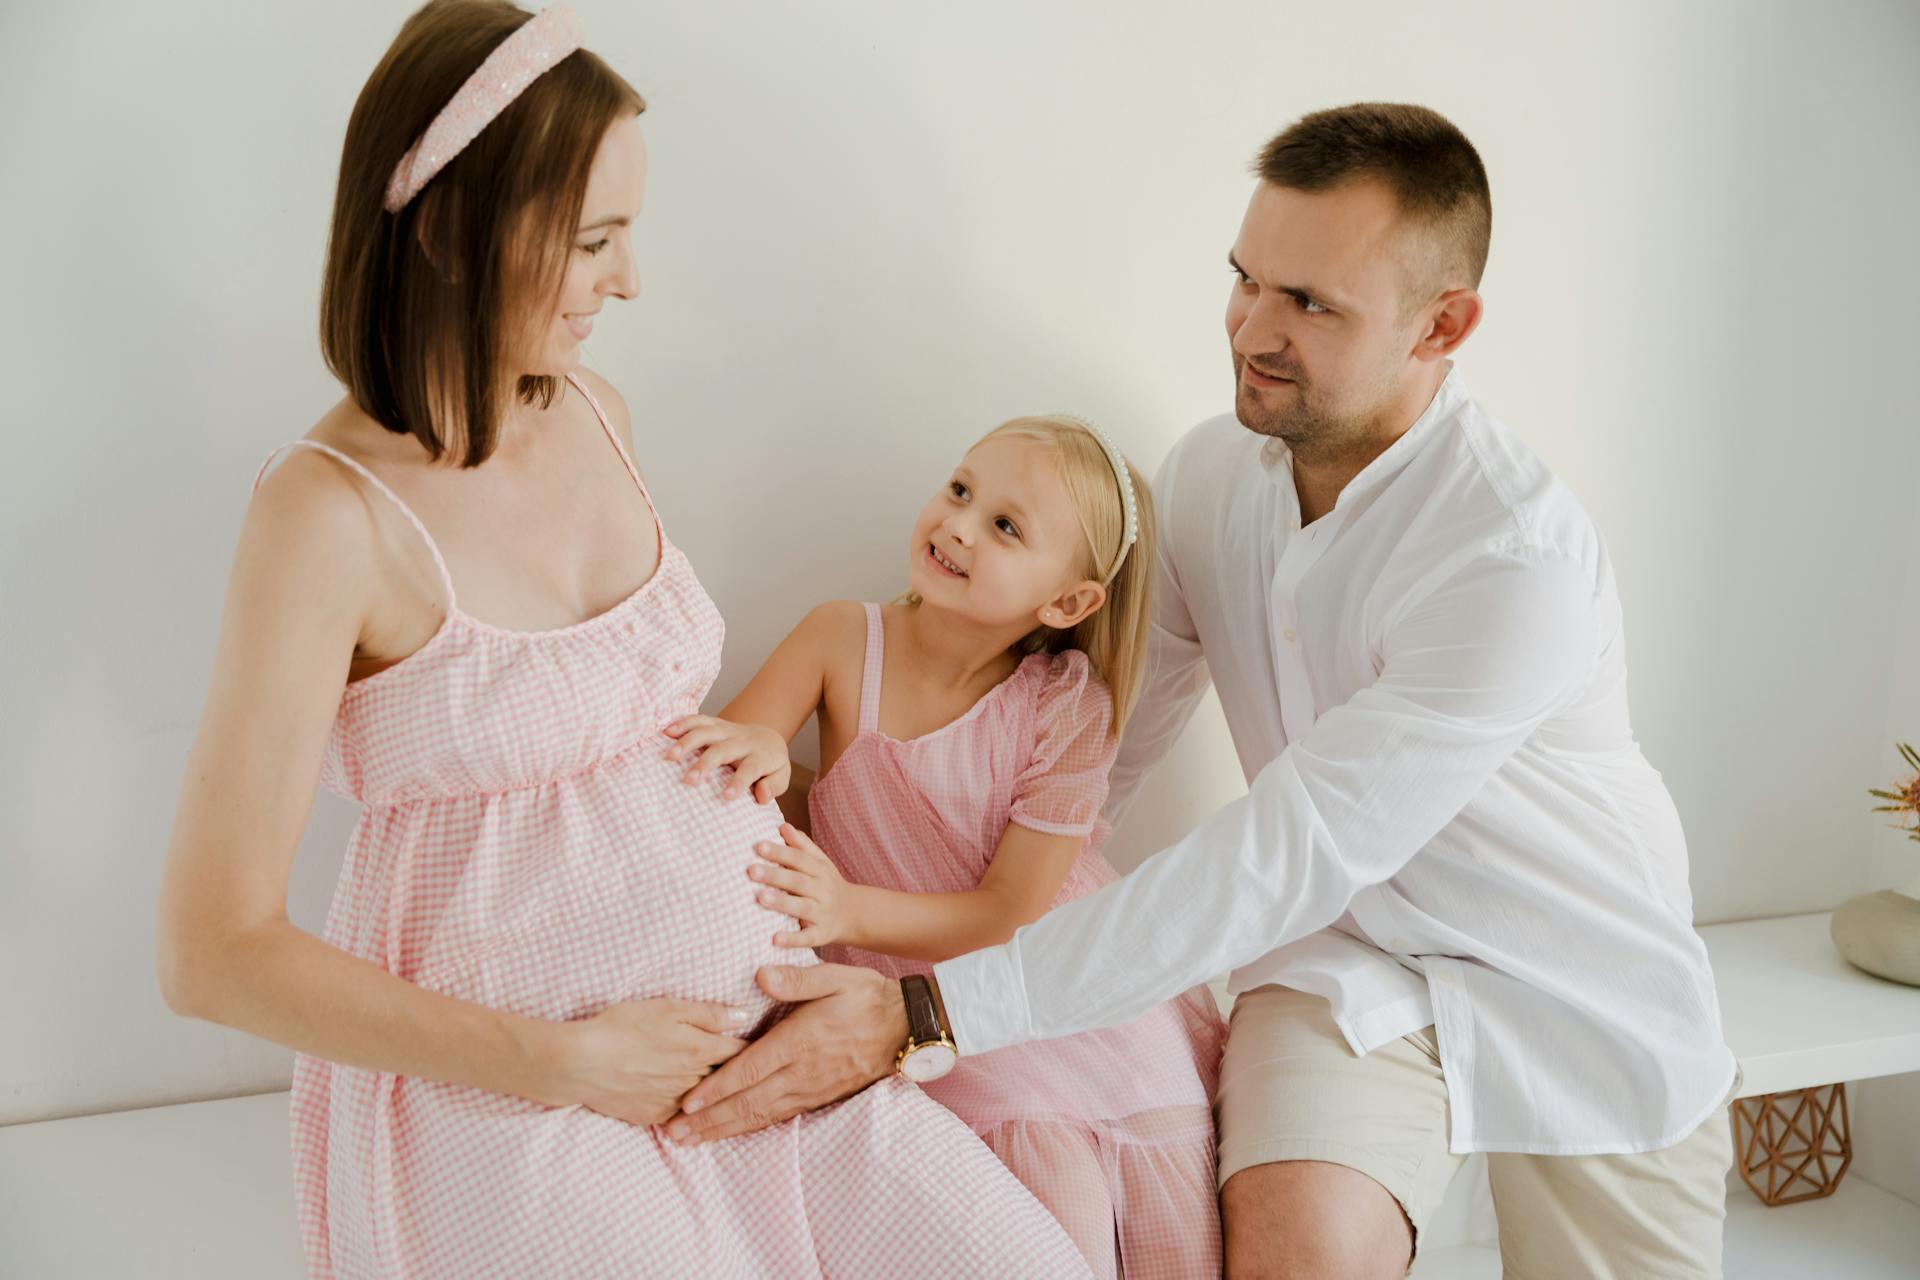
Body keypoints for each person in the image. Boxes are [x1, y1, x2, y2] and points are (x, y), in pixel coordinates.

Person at [669, 102, 1740, 1279]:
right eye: (1247, 279)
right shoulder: (1212, 480)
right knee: (1295, 1253)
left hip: (1572, 978)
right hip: (1343, 961)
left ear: (1445, 324)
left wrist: (936, 1010)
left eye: (1310, 304)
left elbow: (1293, 842)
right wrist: (871, 856)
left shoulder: (1509, 559)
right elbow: (1092, 768)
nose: (1251, 328)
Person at [154, 3, 1089, 1275]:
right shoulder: (325, 516)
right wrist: (567, 1061)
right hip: (529, 1093)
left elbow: (627, 737)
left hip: (768, 1047)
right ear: (444, 228)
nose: (629, 280)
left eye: (628, 234)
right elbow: (213, 953)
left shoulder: (598, 409)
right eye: (594, 239)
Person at [662, 414, 1225, 1276]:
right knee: (1057, 1235)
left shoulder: (1068, 706)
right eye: (961, 490)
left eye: (1006, 526)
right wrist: (773, 750)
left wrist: (846, 907)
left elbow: (1007, 912)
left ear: (1068, 602)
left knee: (1173, 1249)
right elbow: (722, 763)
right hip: (953, 1025)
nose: (959, 524)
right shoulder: (842, 638)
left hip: (1067, 998)